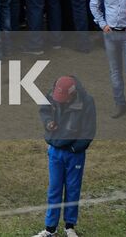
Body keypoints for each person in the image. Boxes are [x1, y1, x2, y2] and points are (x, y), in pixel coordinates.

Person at [36, 75, 96, 237]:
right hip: (55, 151)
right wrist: (48, 122)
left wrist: (75, 148)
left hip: (74, 154)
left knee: (72, 190)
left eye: (63, 99)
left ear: (73, 92)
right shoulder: (52, 94)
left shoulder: (87, 102)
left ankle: (70, 227)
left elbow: (88, 130)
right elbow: (45, 111)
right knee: (54, 189)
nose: (60, 101)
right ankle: (50, 229)